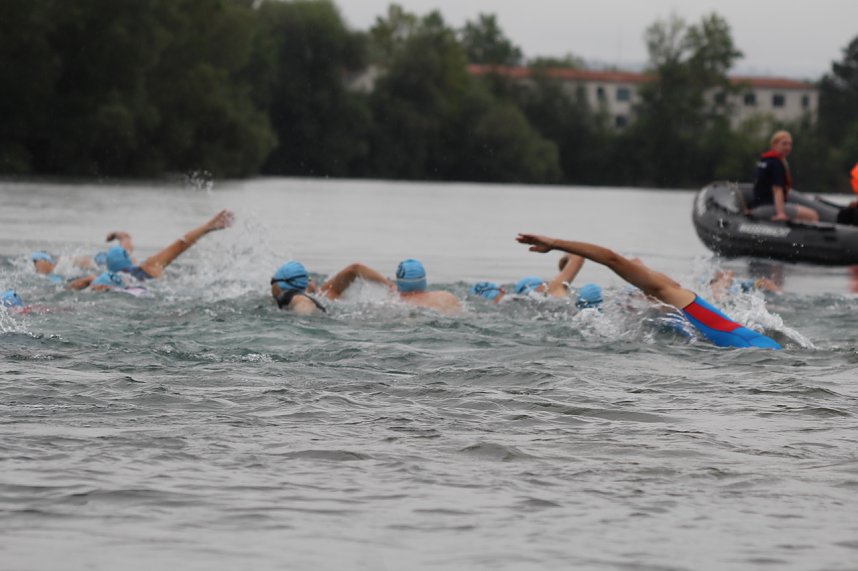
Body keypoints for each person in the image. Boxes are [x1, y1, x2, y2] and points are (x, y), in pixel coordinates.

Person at [516, 233, 782, 349]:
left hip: (760, 354)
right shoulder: (677, 311)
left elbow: (611, 258)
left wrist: (555, 243)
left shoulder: (676, 297)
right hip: (761, 349)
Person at [68, 210, 234, 290]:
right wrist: (208, 226)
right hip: (158, 289)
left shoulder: (106, 274)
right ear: (128, 257)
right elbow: (183, 243)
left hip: (120, 289)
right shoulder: (149, 265)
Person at [272, 258, 461, 316]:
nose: (310, 281)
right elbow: (355, 268)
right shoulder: (446, 296)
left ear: (279, 286)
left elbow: (304, 307)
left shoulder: (320, 294)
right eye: (308, 278)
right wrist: (388, 285)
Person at [748, 130, 819, 223]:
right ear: (774, 144)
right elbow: (777, 189)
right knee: (812, 215)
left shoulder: (764, 160)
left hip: (757, 206)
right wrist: (780, 214)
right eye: (784, 144)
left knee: (797, 216)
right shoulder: (776, 163)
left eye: (790, 144)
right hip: (768, 207)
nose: (788, 147)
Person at [470, 253, 587, 304]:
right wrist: (565, 258)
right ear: (501, 290)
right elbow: (578, 256)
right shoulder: (553, 289)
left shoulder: (506, 306)